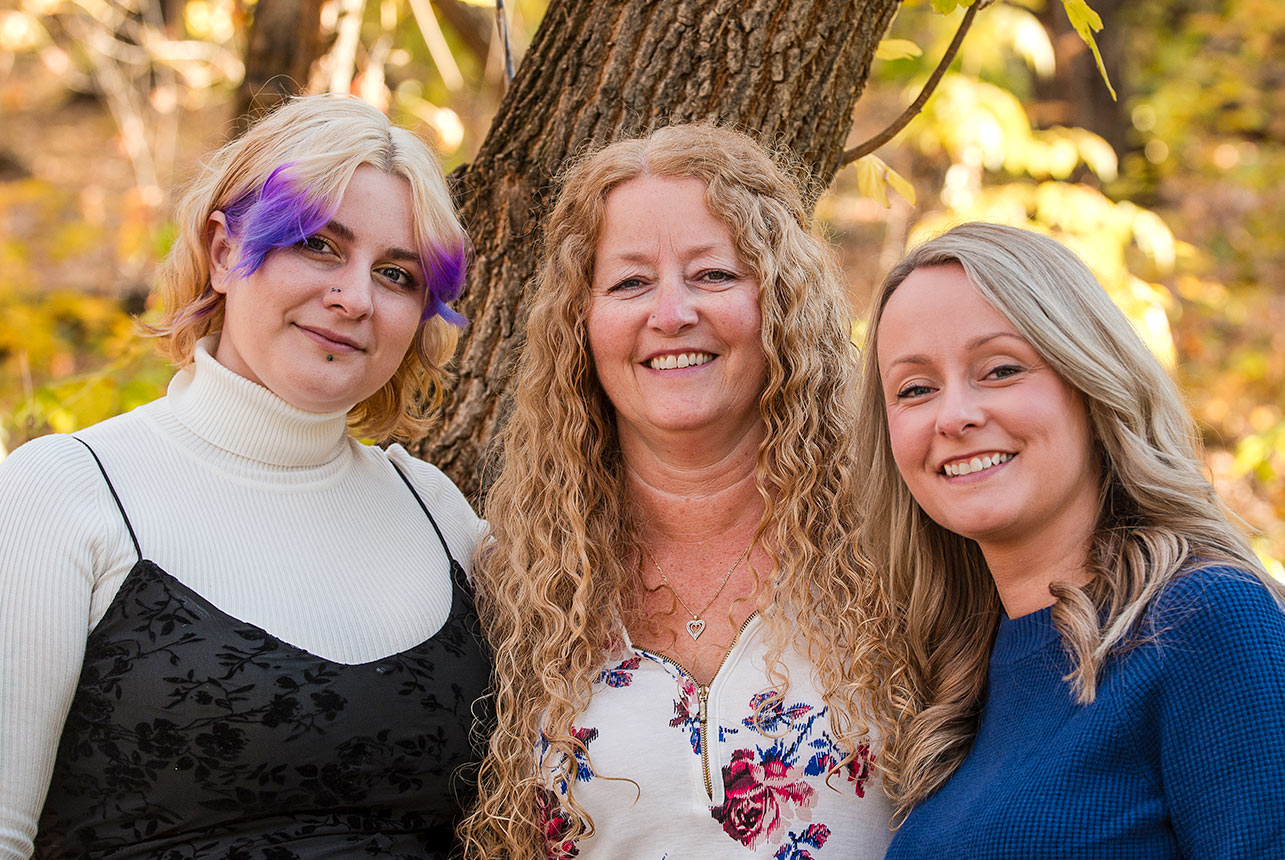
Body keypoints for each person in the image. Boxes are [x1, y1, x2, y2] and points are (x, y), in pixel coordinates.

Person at [0, 94, 490, 860]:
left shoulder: (434, 513)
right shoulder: (66, 493)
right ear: (226, 251)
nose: (354, 298)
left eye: (396, 274)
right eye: (320, 246)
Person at [458, 123, 896, 859]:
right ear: (581, 324)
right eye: (630, 282)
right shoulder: (514, 581)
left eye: (714, 275)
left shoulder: (899, 550)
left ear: (782, 304)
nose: (670, 314)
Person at [855, 221, 1285, 858]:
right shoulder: (951, 679)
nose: (954, 416)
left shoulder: (1208, 622)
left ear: (1091, 384)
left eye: (1000, 370)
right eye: (916, 389)